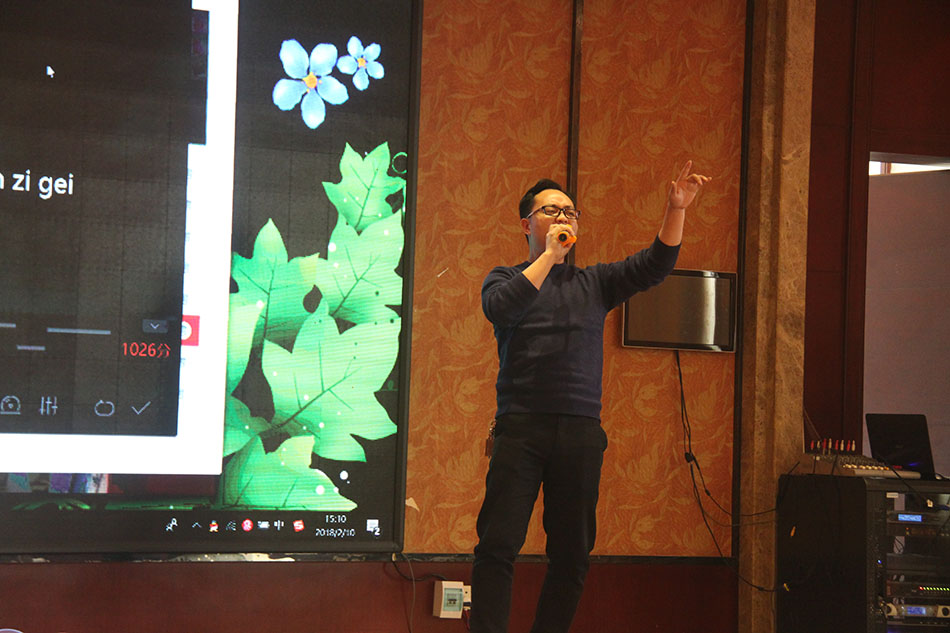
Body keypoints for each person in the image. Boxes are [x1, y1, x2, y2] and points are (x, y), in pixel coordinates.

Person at [470, 162, 711, 633]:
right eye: (551, 211)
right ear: (527, 225)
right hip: (520, 428)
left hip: (580, 433)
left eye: (570, 212)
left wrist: (676, 209)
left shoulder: (595, 282)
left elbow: (656, 265)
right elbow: (501, 308)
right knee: (497, 546)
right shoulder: (504, 277)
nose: (564, 217)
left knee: (573, 554)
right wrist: (549, 258)